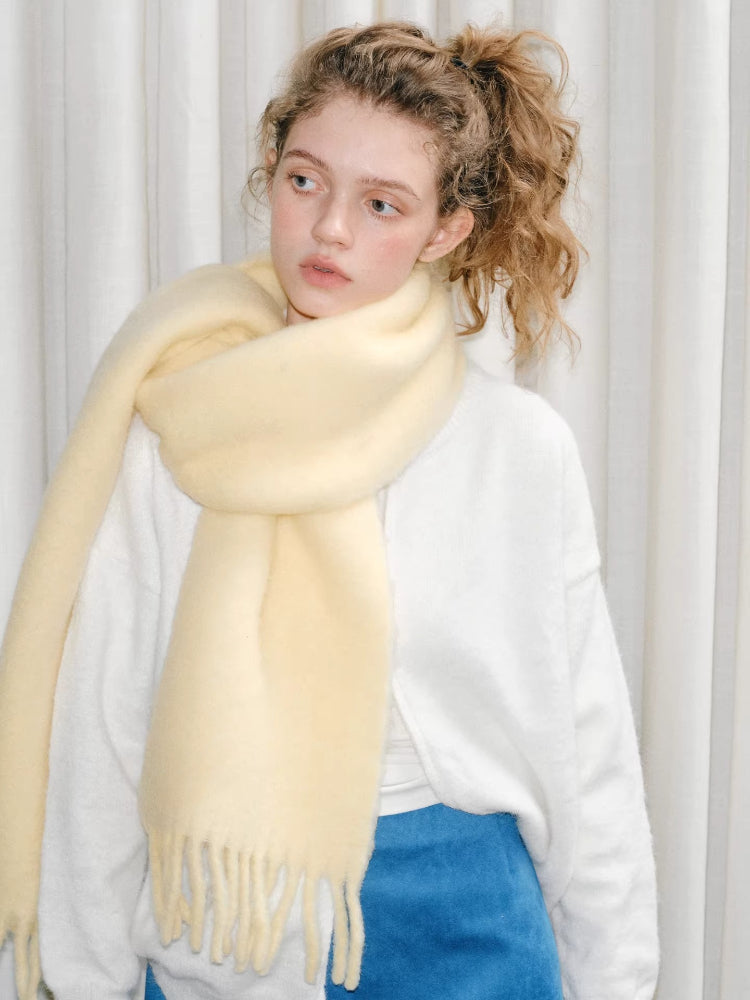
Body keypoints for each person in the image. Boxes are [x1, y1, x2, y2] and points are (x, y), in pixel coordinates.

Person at [0, 20, 659, 1000]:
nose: (331, 229)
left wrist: (618, 981)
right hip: (230, 932)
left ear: (446, 231)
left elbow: (589, 746)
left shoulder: (516, 449)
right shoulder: (177, 421)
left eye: (382, 202)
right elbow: (104, 718)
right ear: (270, 173)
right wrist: (87, 976)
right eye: (305, 180)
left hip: (470, 930)